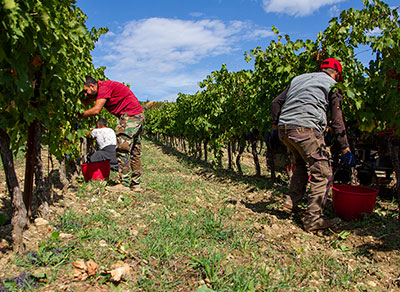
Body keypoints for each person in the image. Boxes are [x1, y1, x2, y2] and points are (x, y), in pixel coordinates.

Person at [271, 58, 355, 232]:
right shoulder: (333, 85)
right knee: (322, 172)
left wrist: (274, 127)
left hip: (285, 129)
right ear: (337, 74)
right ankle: (313, 219)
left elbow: (276, 102)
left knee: (301, 164)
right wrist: (345, 147)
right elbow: (337, 119)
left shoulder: (299, 78)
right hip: (305, 129)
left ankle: (291, 202)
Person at [80, 76, 144, 192]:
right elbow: (87, 102)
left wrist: (78, 115)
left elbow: (96, 110)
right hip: (137, 115)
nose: (85, 94)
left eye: (86, 90)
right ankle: (136, 184)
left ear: (92, 86)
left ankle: (123, 184)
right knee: (135, 150)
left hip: (130, 116)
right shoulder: (100, 90)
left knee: (122, 148)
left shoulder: (103, 88)